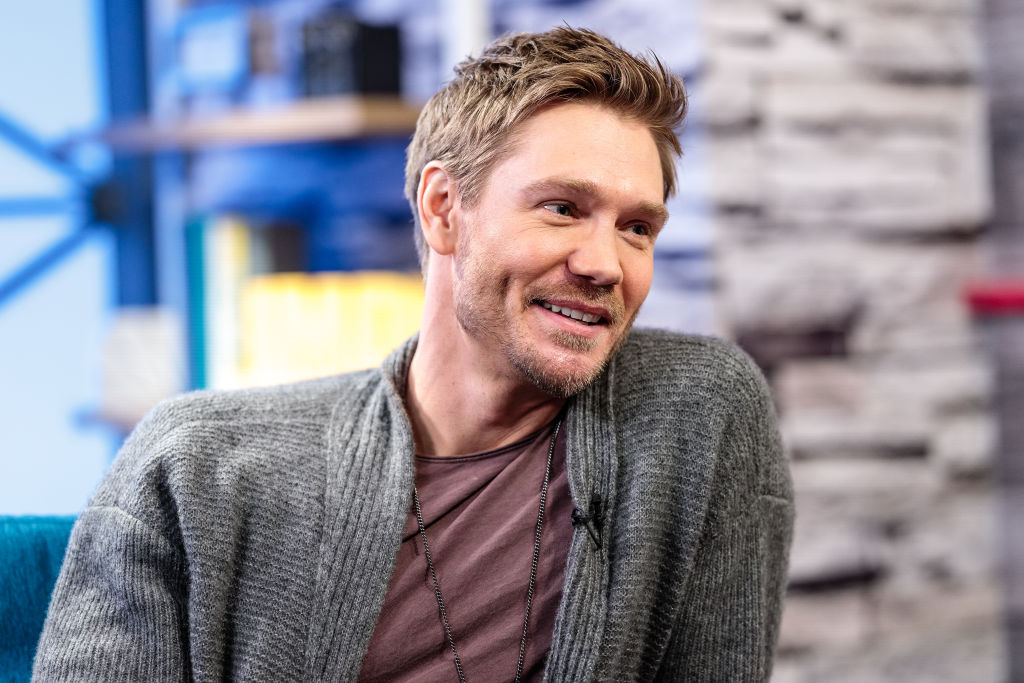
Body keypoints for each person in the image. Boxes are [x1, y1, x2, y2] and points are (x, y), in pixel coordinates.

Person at [33, 27, 793, 682]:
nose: (606, 264)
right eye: (563, 208)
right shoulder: (196, 465)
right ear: (443, 209)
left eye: (637, 228)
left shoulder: (694, 413)